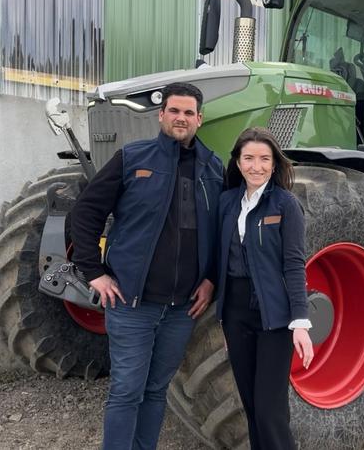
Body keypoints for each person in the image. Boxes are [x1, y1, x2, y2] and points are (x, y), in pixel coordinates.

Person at [70, 82, 223, 450]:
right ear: (161, 115)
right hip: (132, 304)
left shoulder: (214, 168)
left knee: (156, 391)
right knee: (126, 391)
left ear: (199, 119)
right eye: (174, 111)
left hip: (181, 309)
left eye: (189, 112)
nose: (181, 118)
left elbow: (221, 230)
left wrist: (211, 279)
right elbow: (86, 212)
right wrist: (94, 272)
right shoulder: (132, 158)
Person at [216, 127, 314, 450]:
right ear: (238, 162)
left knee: (271, 411)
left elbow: (294, 264)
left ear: (274, 164)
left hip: (274, 316)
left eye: (264, 159)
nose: (256, 166)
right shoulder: (227, 203)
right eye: (249, 158)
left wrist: (300, 322)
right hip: (235, 314)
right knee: (252, 408)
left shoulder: (286, 205)